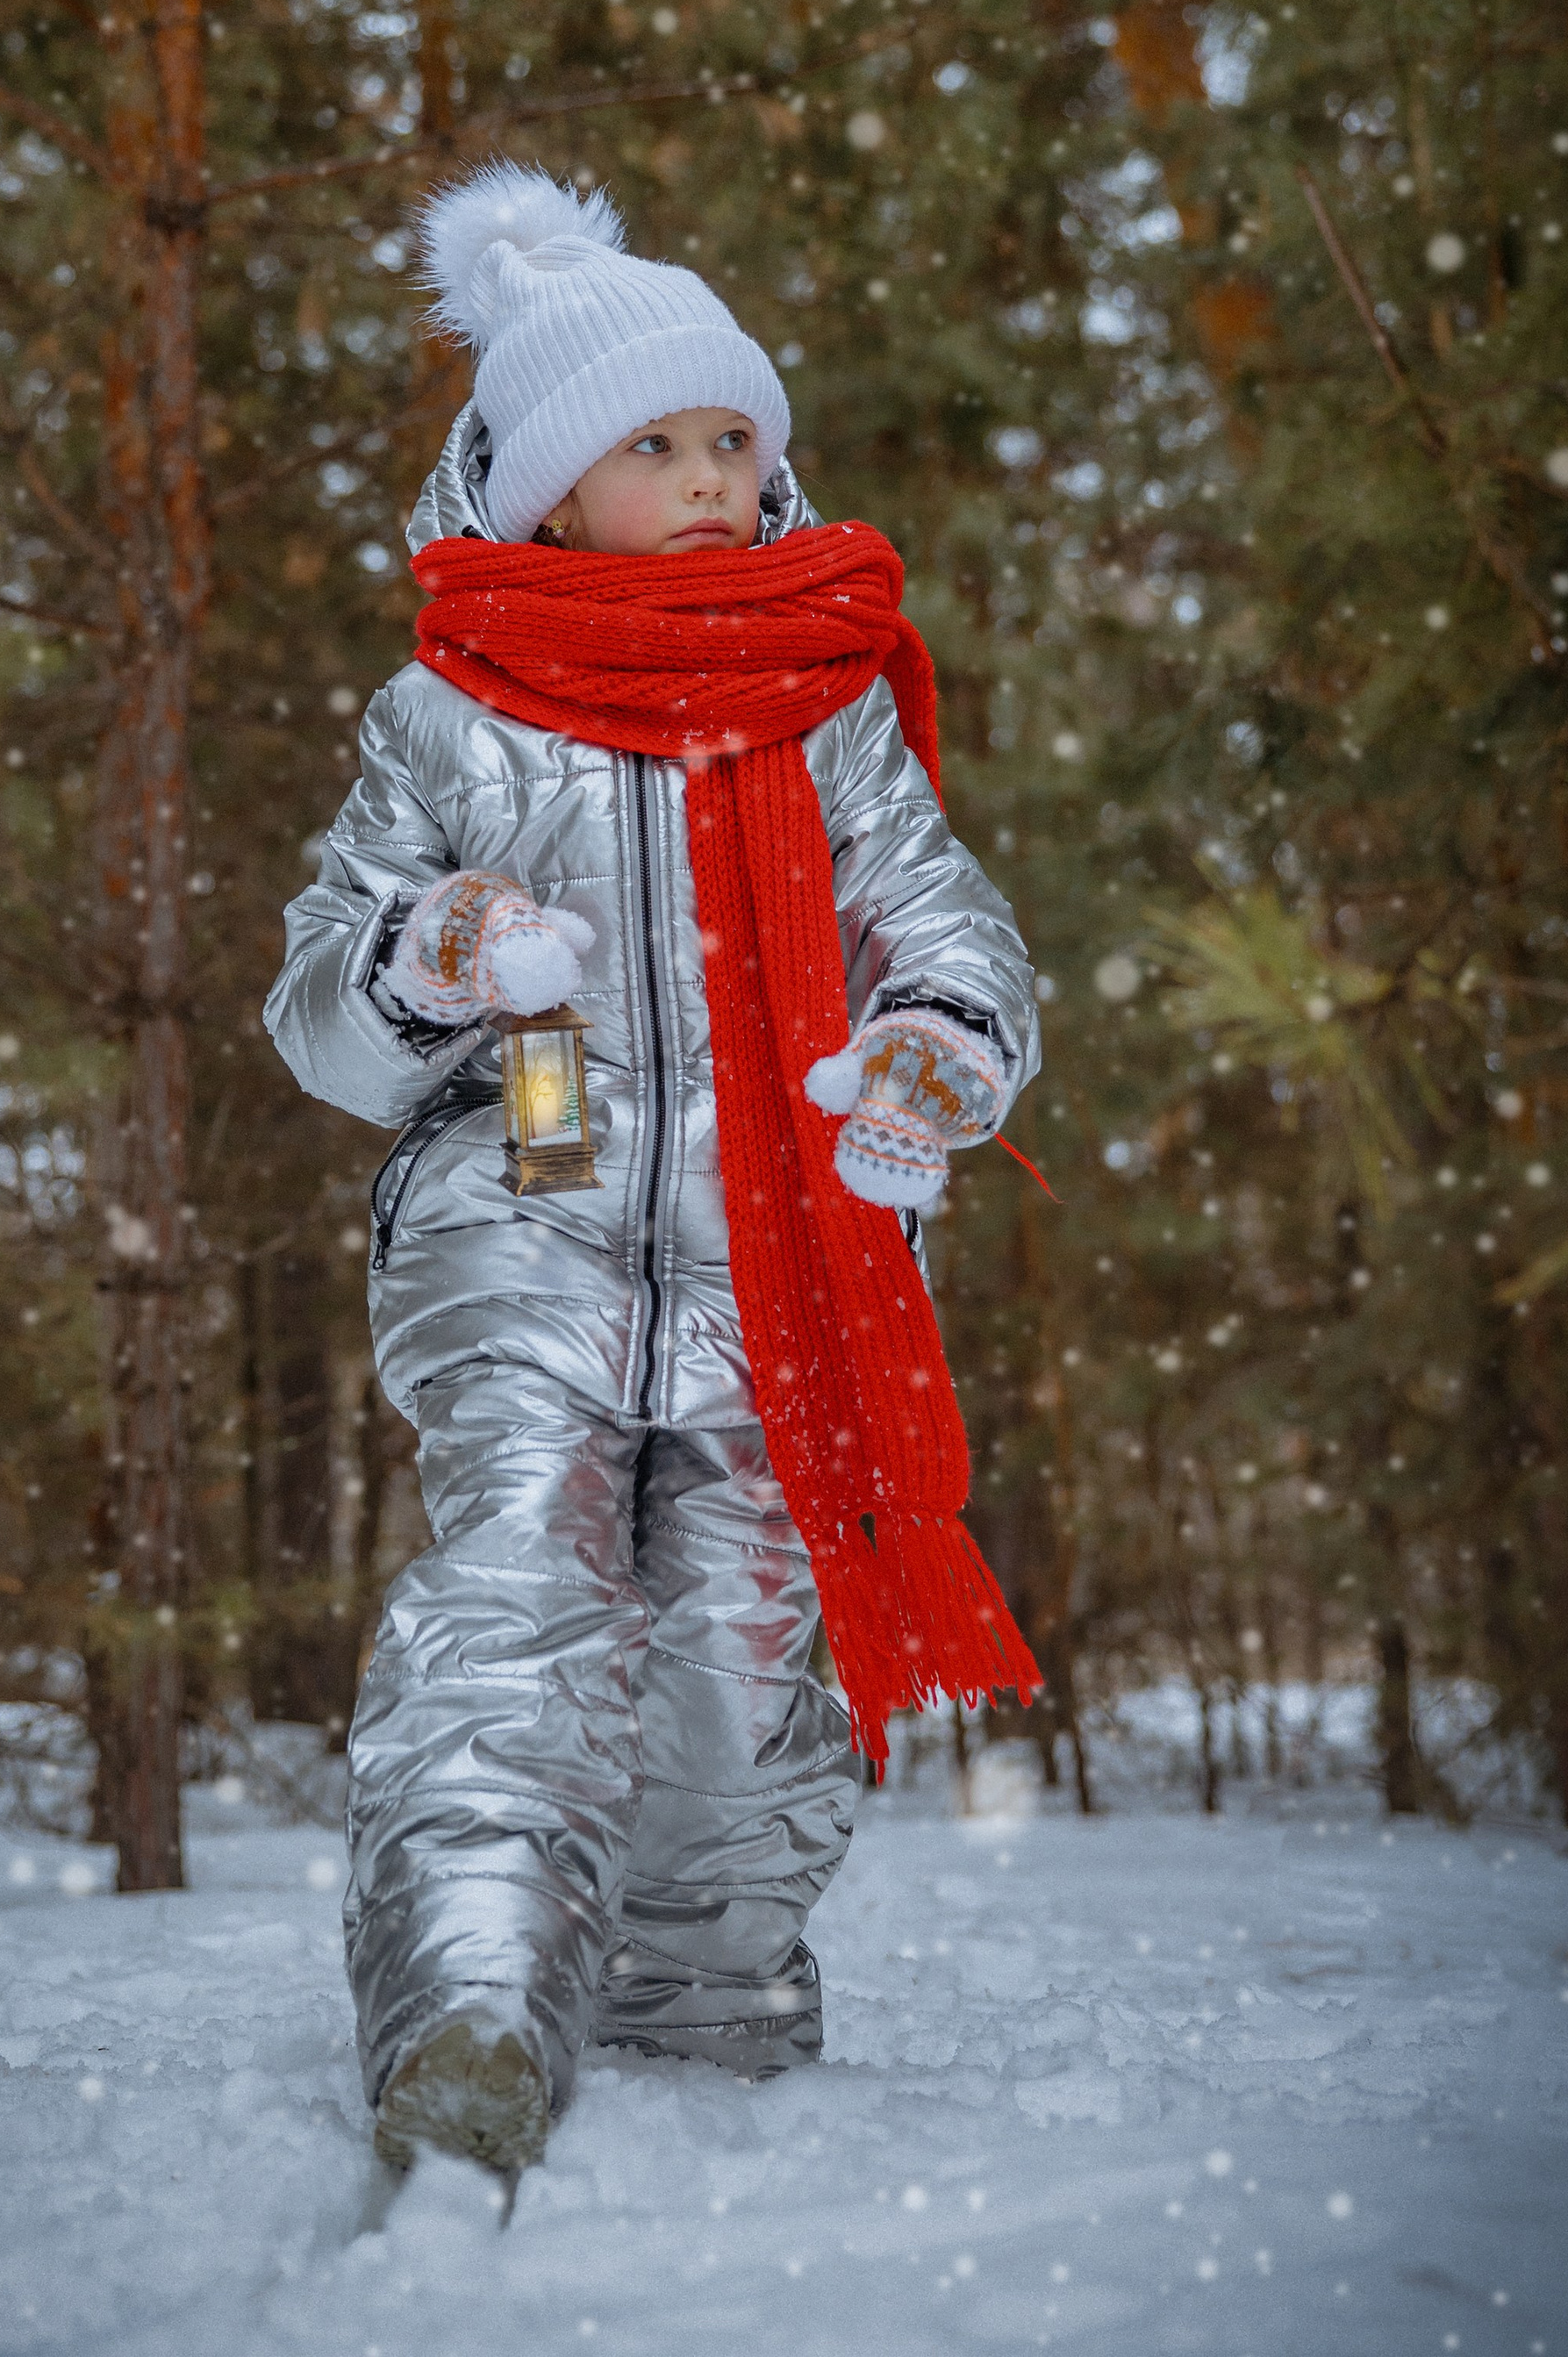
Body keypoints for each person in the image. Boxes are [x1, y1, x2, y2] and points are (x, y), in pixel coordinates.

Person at [264, 162, 1040, 2178]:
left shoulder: (824, 697)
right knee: (518, 1596)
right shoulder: (447, 714)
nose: (709, 476)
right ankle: (467, 2008)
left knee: (740, 1639)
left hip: (779, 1249)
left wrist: (933, 1048)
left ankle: (696, 2000)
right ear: (538, 490)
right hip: (516, 1232)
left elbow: (940, 921)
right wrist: (425, 958)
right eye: (654, 446)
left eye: (732, 440)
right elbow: (319, 1016)